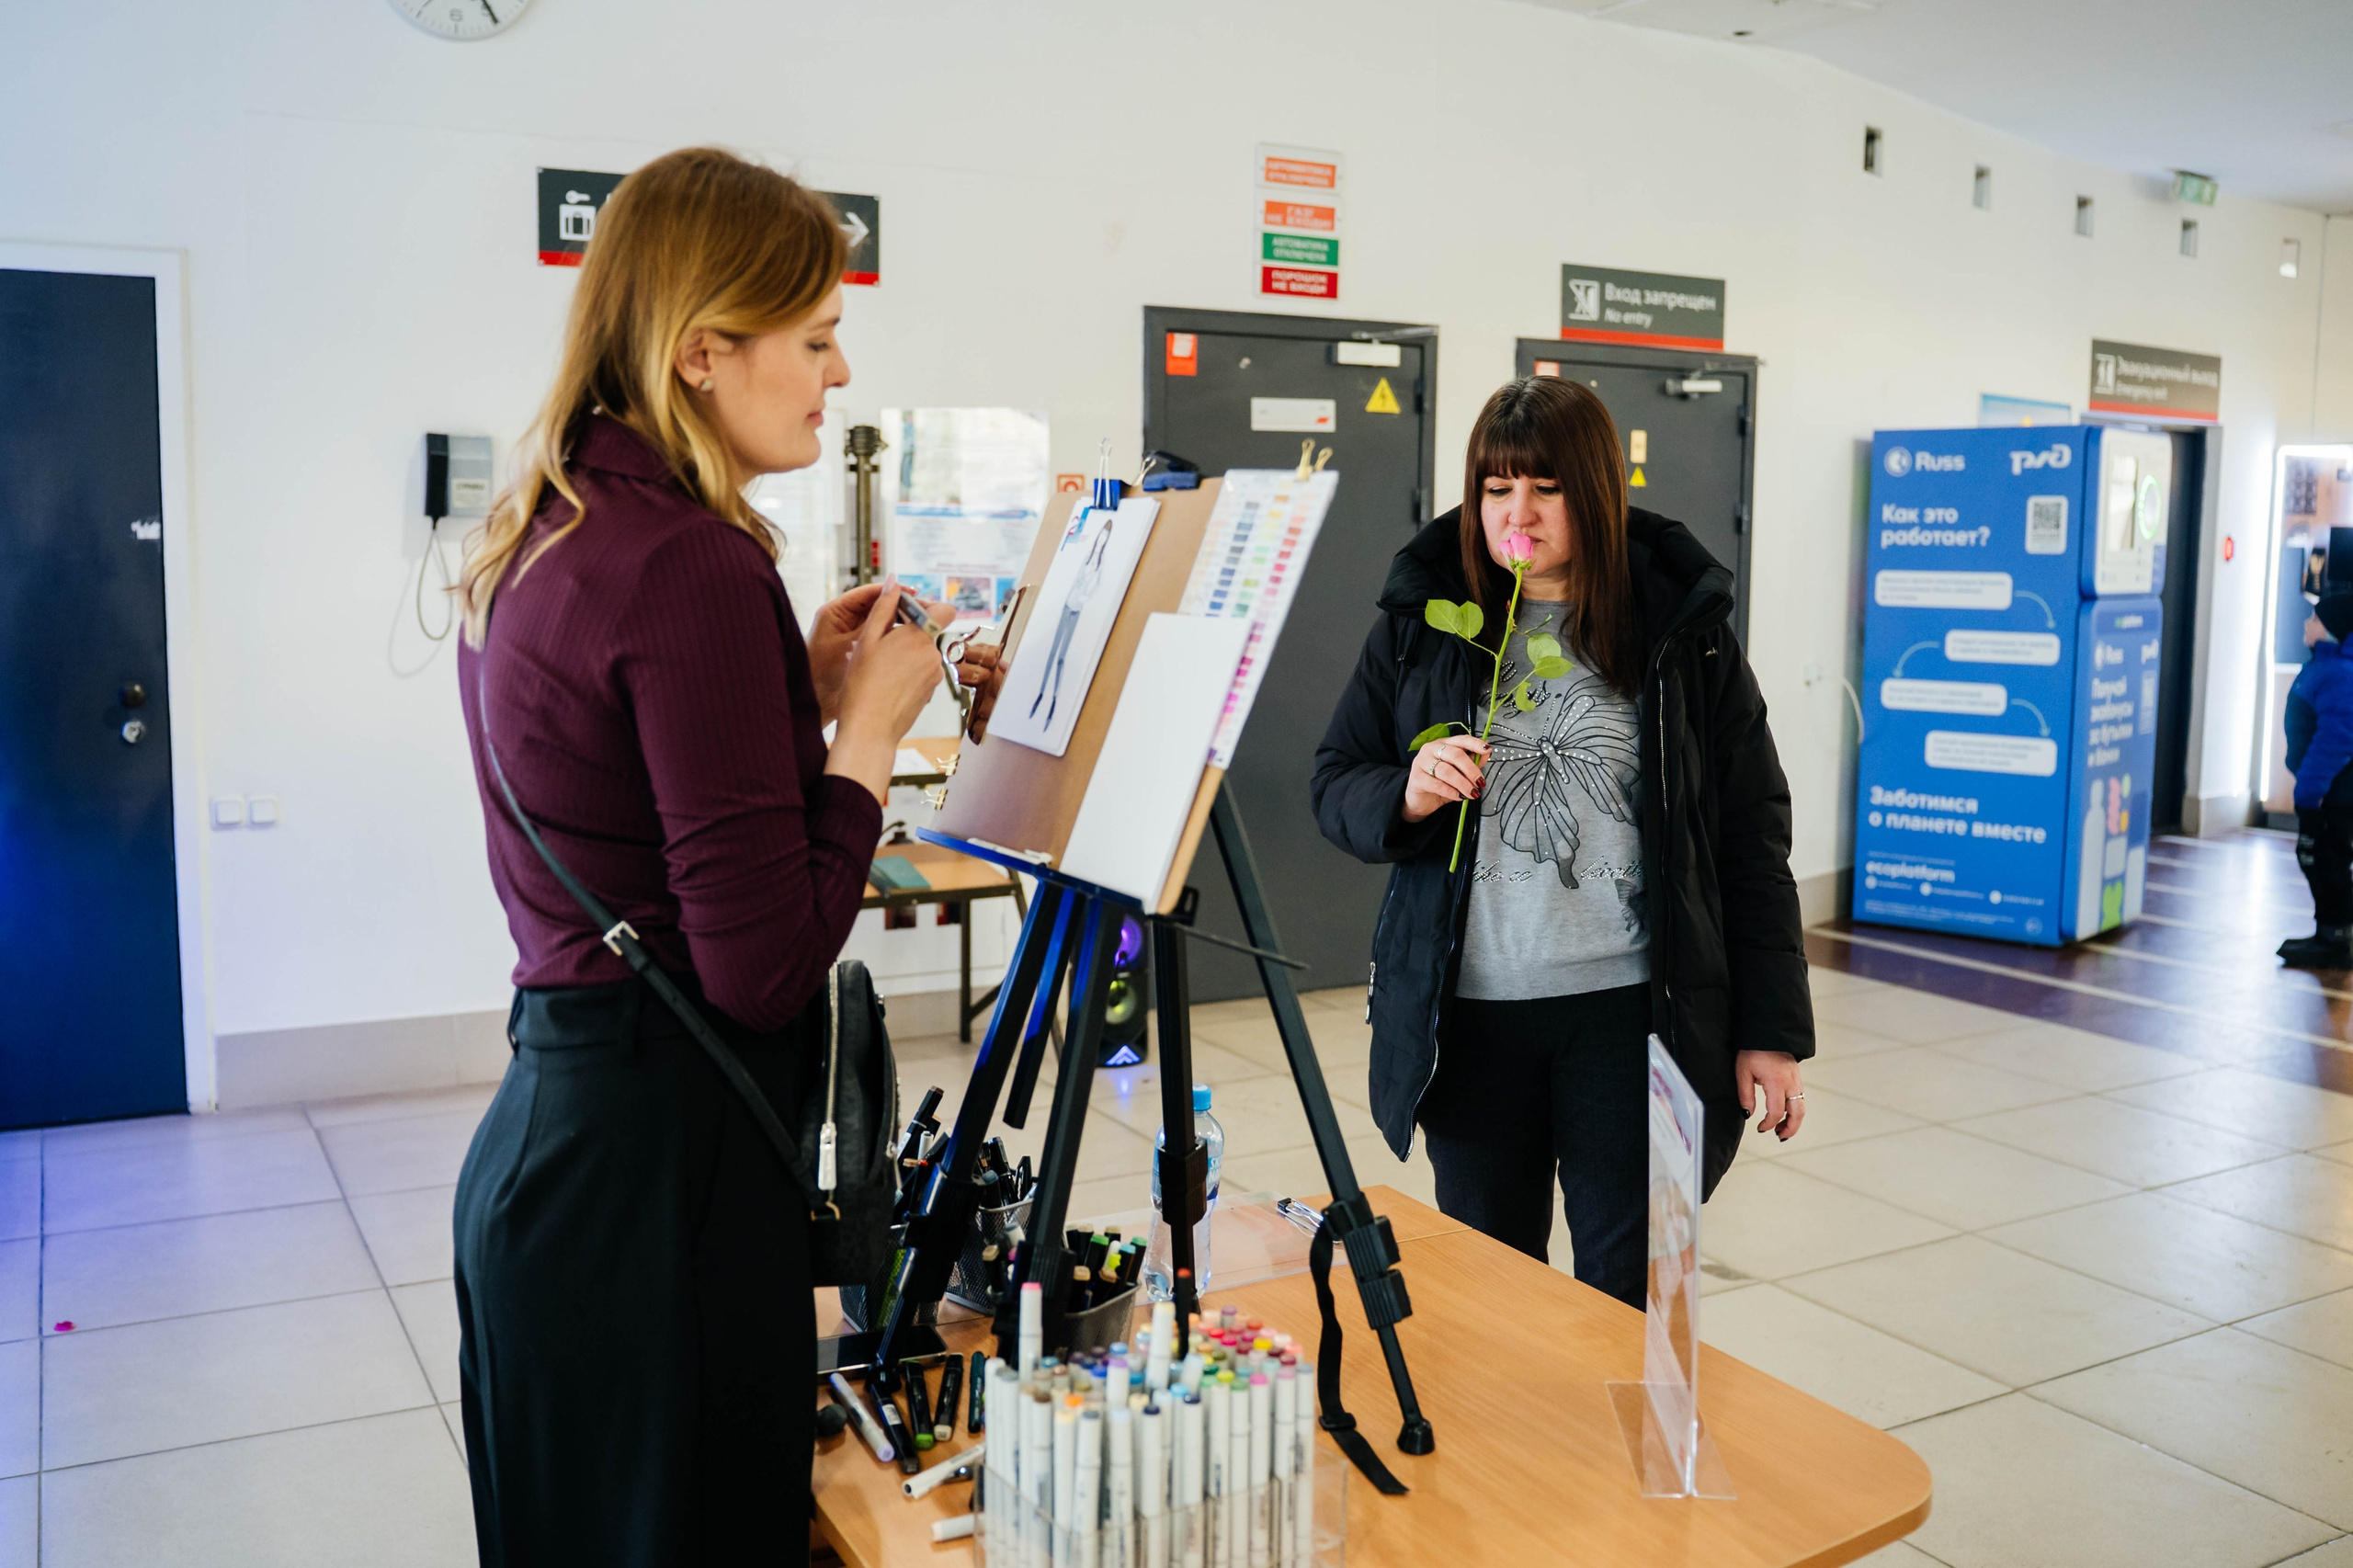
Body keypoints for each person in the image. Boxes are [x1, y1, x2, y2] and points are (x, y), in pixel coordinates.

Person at [449, 148, 975, 1565]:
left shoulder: (546, 525)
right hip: (658, 1196)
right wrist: (867, 730)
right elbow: (757, 966)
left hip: (555, 1160)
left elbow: (619, 787)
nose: (840, 369)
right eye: (811, 339)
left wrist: (787, 694)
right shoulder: (696, 560)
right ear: (699, 353)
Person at [1311, 375, 1814, 1309]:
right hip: (1468, 1018)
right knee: (1491, 1289)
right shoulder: (1427, 623)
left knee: (1626, 1292)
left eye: (1544, 488)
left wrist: (1770, 1031)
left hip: (1627, 1012)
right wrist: (1406, 792)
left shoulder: (1680, 632)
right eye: (1497, 488)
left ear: (1594, 491)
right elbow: (1335, 779)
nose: (1519, 513)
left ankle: (1615, 1459)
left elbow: (1750, 833)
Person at [2280, 593, 2353, 968]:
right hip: (2327, 793)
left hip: (2330, 795)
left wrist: (2309, 792)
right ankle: (2333, 934)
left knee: (2325, 859)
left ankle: (2334, 940)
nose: (2307, 621)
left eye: (2314, 617)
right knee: (2322, 859)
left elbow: (2335, 741)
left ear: (2330, 630)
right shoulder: (2327, 665)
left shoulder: (2340, 672)